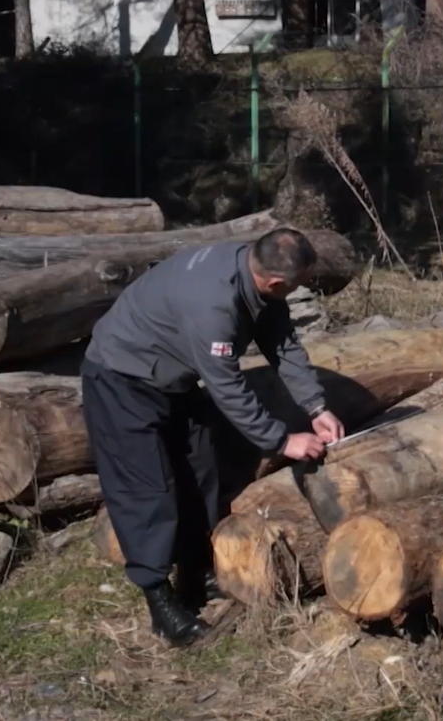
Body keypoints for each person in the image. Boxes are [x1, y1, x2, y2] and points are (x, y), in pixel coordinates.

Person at [81, 227, 346, 647]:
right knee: (148, 488)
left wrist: (316, 407)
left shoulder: (256, 276)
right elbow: (227, 388)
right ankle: (159, 599)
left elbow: (283, 343)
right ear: (275, 281)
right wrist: (283, 441)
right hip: (122, 377)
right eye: (296, 286)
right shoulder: (212, 303)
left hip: (170, 378)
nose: (299, 291)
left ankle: (195, 571)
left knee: (201, 466)